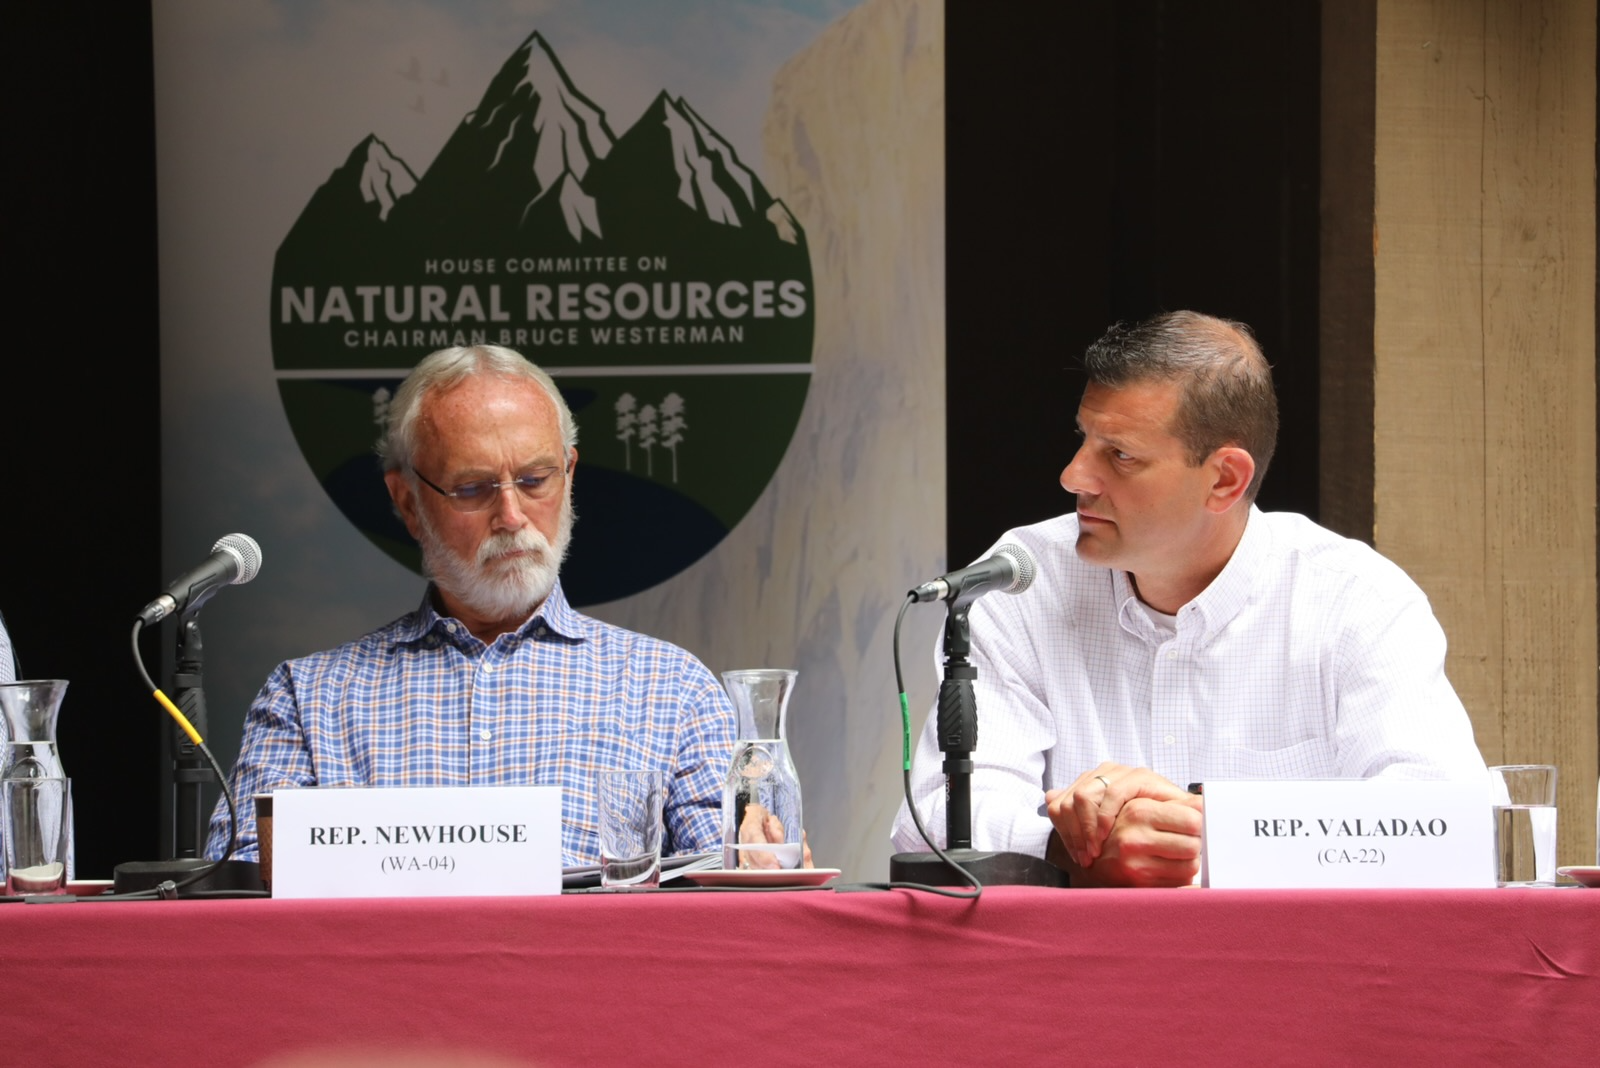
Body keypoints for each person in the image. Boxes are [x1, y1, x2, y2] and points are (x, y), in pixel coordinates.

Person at [891, 310, 1486, 887]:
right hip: (1080, 954)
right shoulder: (1022, 579)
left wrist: (1215, 833)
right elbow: (931, 821)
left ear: (1225, 479)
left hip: (1286, 952)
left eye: (1120, 455)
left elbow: (1449, 822)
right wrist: (1072, 845)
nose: (1073, 476)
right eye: (1084, 440)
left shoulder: (1353, 600)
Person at [205, 345, 736, 867]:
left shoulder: (672, 691)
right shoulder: (307, 702)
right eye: (473, 488)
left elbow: (733, 888)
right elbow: (239, 893)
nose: (511, 515)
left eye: (535, 480)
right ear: (408, 502)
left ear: (570, 474)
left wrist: (759, 851)